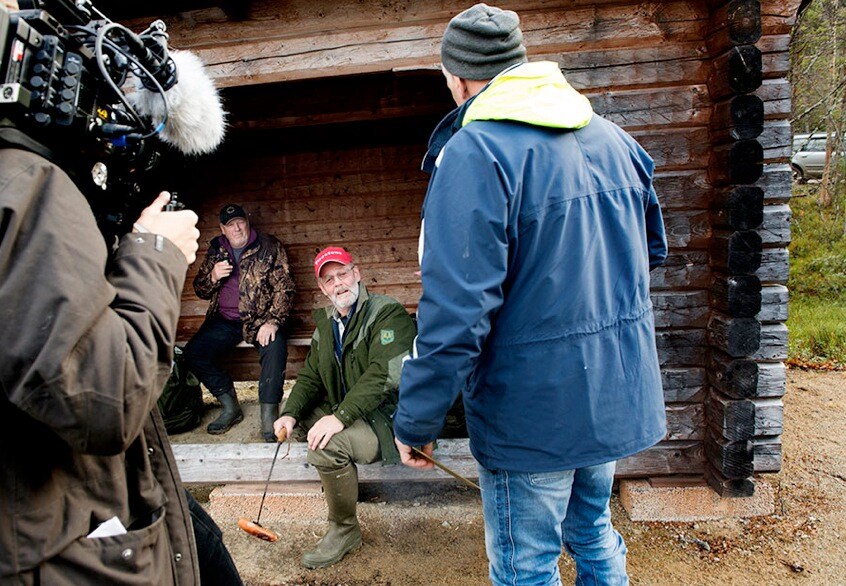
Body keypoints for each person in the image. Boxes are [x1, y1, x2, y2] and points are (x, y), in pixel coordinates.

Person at [393, 4, 669, 586]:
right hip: (609, 391)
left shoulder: (474, 154)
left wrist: (415, 421)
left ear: (457, 78)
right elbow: (649, 253)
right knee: (594, 533)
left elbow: (457, 314)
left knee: (526, 567)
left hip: (530, 414)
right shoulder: (613, 138)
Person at [0, 133, 202, 581]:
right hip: (55, 524)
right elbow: (107, 398)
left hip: (99, 486)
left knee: (204, 546)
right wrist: (155, 251)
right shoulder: (25, 179)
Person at [273, 247, 415, 569]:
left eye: (343, 274)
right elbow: (311, 376)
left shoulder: (387, 313)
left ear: (357, 274)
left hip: (386, 419)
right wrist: (290, 413)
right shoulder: (327, 324)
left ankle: (344, 530)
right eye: (329, 279)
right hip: (353, 409)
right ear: (322, 288)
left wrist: (339, 418)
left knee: (326, 445)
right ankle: (339, 477)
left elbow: (385, 374)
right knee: (301, 419)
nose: (338, 283)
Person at [184, 203, 295, 441]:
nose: (237, 228)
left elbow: (285, 288)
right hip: (224, 320)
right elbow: (201, 290)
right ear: (222, 228)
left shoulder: (269, 246)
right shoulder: (217, 249)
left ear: (247, 222)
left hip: (260, 319)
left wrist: (273, 321)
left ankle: (269, 417)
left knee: (275, 349)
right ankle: (230, 406)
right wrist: (213, 276)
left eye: (240, 222)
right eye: (230, 225)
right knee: (194, 353)